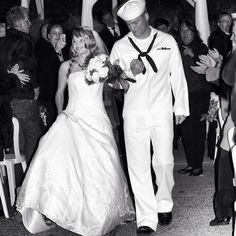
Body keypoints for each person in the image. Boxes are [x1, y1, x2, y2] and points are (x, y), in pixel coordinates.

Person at [16, 26, 134, 235]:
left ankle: (101, 212)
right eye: (75, 41)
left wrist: (125, 78)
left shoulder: (102, 62)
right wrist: (61, 114)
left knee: (100, 164)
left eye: (81, 41)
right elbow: (59, 93)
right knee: (54, 158)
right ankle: (61, 207)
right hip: (72, 117)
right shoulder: (66, 66)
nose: (77, 45)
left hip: (96, 119)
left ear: (89, 42)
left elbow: (119, 84)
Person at [110, 0, 189, 234]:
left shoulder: (166, 41)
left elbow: (177, 75)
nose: (132, 28)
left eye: (135, 23)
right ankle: (146, 218)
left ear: (146, 16)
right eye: (128, 25)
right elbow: (114, 84)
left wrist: (181, 108)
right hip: (133, 113)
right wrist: (128, 73)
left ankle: (164, 202)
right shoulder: (120, 46)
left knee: (164, 161)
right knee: (137, 165)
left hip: (161, 110)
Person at [0, 6, 42, 164]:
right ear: (18, 22)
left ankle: (20, 177)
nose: (30, 23)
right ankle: (31, 177)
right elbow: (27, 70)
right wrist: (34, 88)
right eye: (26, 20)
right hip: (22, 98)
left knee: (19, 142)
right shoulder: (24, 41)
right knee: (35, 138)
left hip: (6, 98)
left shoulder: (3, 41)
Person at [177, 18, 210, 176]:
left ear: (194, 32)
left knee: (198, 129)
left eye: (188, 30)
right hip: (182, 95)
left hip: (198, 94)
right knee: (185, 130)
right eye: (182, 31)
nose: (185, 33)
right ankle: (190, 163)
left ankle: (198, 164)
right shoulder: (175, 47)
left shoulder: (201, 47)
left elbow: (207, 68)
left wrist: (194, 54)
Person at [207, 11, 232, 160]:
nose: (227, 23)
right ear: (218, 23)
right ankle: (213, 150)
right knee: (217, 118)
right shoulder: (216, 37)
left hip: (228, 83)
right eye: (224, 21)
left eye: (229, 21)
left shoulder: (230, 36)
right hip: (220, 85)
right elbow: (223, 59)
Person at [36, 23, 67, 132]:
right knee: (48, 129)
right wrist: (56, 50)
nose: (58, 36)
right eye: (54, 33)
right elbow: (43, 68)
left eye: (60, 33)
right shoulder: (43, 49)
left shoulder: (67, 51)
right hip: (47, 98)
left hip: (65, 98)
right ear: (48, 36)